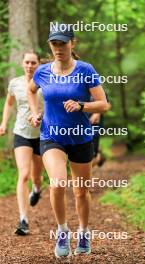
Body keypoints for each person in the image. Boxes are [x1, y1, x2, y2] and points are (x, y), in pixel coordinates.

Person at [28, 24, 109, 258]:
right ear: (50, 45)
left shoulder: (86, 70)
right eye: (54, 43)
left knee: (81, 192)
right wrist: (35, 113)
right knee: (57, 183)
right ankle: (63, 231)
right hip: (52, 136)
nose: (58, 48)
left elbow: (103, 104)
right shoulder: (42, 71)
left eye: (63, 43)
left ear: (73, 43)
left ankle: (84, 232)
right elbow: (31, 90)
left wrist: (82, 105)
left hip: (81, 137)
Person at [0, 51, 43, 235]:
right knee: (23, 174)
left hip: (42, 134)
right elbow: (9, 103)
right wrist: (3, 123)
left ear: (39, 64)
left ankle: (37, 189)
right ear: (22, 63)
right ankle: (23, 219)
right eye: (27, 62)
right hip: (21, 133)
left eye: (33, 62)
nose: (30, 65)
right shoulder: (15, 83)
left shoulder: (44, 82)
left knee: (36, 177)